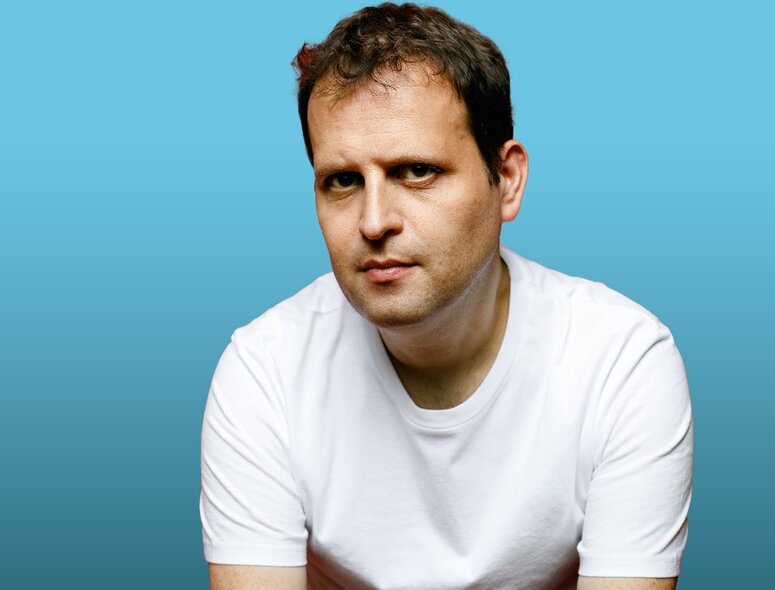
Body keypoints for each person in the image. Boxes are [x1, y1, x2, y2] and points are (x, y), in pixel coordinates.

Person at [199, 3, 694, 589]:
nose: (374, 221)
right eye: (343, 181)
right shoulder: (264, 371)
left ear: (506, 180)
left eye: (415, 171)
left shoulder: (621, 361)